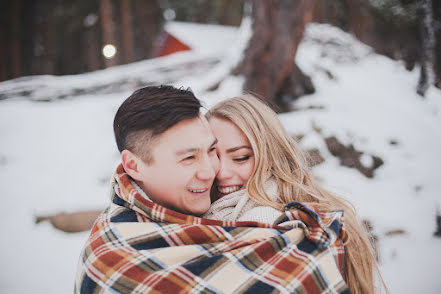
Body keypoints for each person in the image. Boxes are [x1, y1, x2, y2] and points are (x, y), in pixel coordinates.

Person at [75, 86, 350, 293]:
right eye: (188, 158)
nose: (212, 172)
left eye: (209, 151)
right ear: (134, 166)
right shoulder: (112, 253)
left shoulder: (292, 229)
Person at [203, 94, 387, 294]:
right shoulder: (208, 213)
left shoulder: (269, 225)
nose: (221, 172)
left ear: (272, 156)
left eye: (240, 157)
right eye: (212, 154)